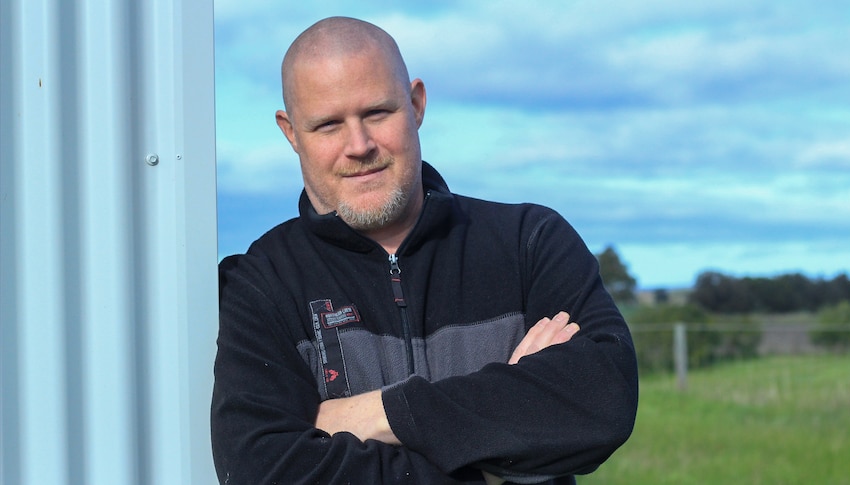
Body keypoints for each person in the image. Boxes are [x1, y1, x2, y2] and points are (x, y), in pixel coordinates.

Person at [211, 16, 638, 485]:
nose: (359, 145)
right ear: (291, 133)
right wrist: (493, 456)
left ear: (415, 105)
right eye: (328, 125)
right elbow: (263, 469)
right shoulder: (261, 283)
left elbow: (602, 403)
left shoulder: (530, 242)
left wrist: (376, 414)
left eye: (377, 113)